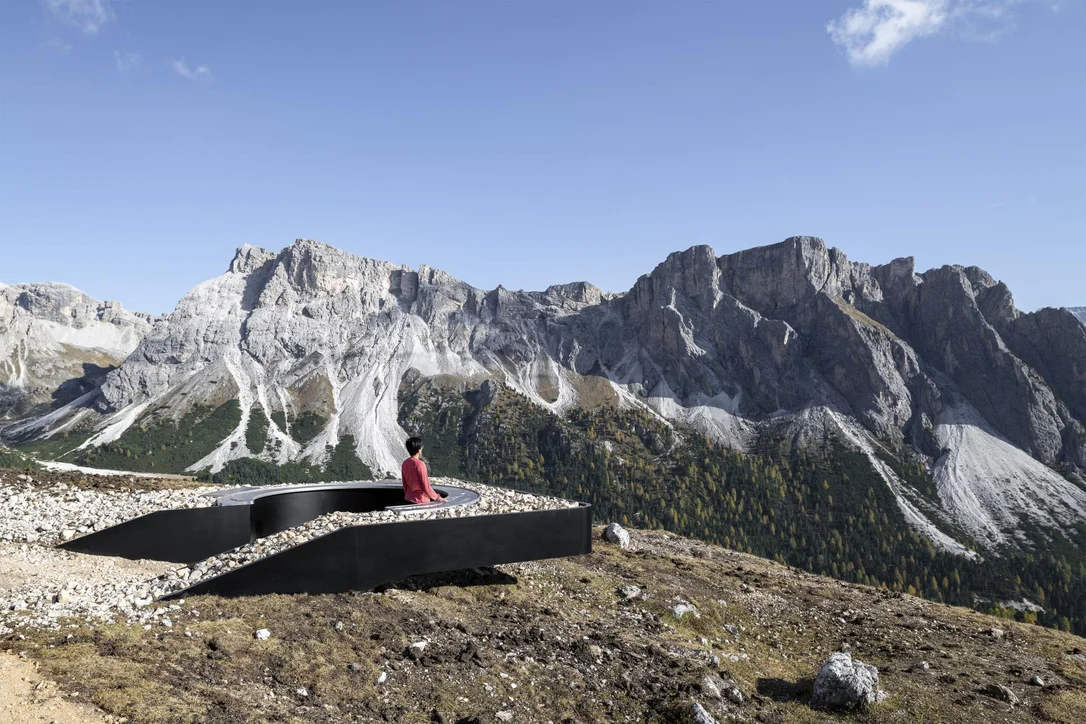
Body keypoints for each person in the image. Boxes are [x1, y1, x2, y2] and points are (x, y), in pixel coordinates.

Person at [401, 436, 442, 504]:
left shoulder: (405, 463)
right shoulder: (420, 464)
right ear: (419, 451)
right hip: (421, 500)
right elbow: (426, 486)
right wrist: (438, 498)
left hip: (408, 498)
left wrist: (407, 495)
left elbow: (404, 483)